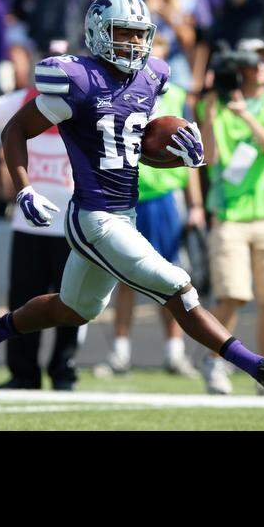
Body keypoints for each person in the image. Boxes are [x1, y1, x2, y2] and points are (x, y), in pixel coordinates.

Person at [0, 0, 264, 395]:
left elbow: (137, 145)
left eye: (140, 35)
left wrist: (178, 151)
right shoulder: (78, 80)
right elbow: (14, 130)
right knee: (178, 287)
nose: (135, 44)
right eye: (124, 33)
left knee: (74, 309)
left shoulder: (151, 76)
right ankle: (257, 366)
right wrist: (25, 189)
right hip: (93, 217)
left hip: (126, 213)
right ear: (97, 32)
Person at [0, 59, 84, 391]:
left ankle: (64, 371)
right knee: (21, 303)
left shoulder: (84, 106)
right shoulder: (23, 102)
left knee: (71, 302)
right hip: (28, 225)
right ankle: (23, 373)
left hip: (70, 227)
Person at [95, 32, 205, 380]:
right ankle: (120, 352)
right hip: (126, 193)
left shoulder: (178, 95)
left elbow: (191, 157)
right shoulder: (117, 89)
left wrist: (196, 203)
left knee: (170, 274)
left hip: (162, 197)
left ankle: (175, 353)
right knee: (124, 277)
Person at [195, 38, 264, 395]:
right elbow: (208, 157)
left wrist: (246, 115)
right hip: (229, 214)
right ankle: (213, 361)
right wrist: (207, 113)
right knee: (232, 295)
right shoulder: (217, 105)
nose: (260, 68)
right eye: (254, 62)